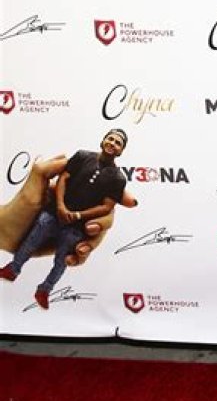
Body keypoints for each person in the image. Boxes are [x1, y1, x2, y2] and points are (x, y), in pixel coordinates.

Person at [0, 129, 129, 307]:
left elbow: (107, 207)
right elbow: (63, 178)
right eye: (110, 139)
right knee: (30, 242)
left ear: (121, 151)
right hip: (53, 214)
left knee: (61, 262)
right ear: (103, 140)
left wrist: (77, 215)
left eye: (118, 143)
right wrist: (60, 206)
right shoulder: (82, 156)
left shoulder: (118, 178)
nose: (112, 143)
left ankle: (44, 290)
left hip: (77, 227)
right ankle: (12, 269)